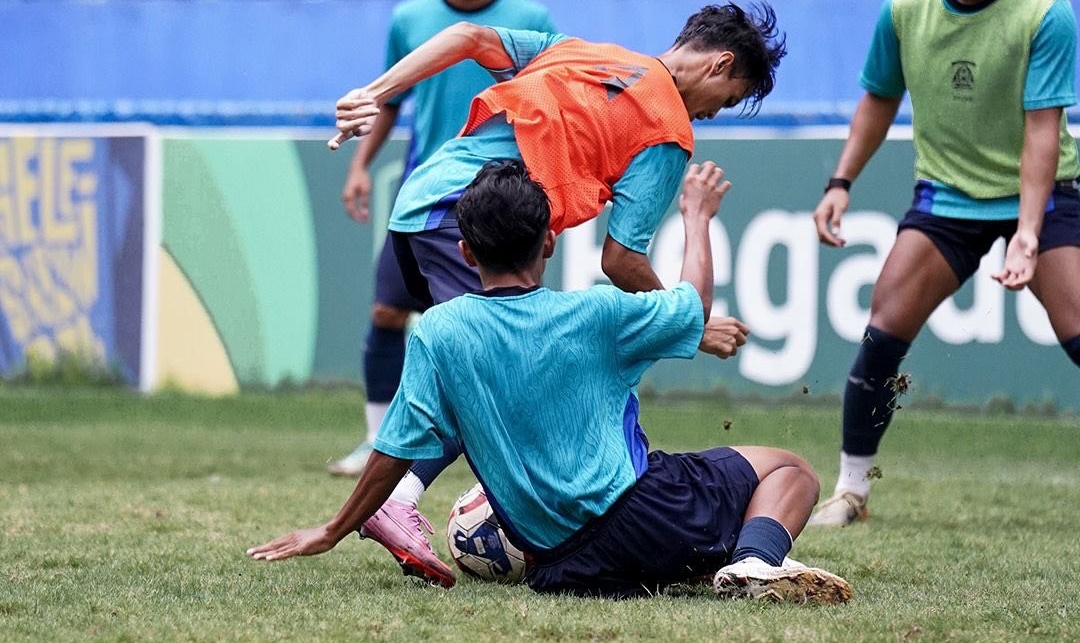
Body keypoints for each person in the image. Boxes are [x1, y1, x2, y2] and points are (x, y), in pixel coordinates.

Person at [250, 159, 852, 605]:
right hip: (647, 514)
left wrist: (334, 528)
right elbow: (693, 301)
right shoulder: (596, 313)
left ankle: (713, 564)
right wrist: (696, 216)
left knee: (682, 526)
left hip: (561, 564)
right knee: (788, 470)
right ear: (549, 240)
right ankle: (752, 563)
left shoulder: (438, 331)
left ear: (464, 252)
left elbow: (393, 451)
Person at [330, 3, 787, 583]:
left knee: (477, 368)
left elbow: (470, 37)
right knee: (499, 372)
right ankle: (400, 497)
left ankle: (408, 494)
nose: (709, 115)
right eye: (720, 104)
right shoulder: (669, 130)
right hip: (466, 223)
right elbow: (621, 260)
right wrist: (685, 323)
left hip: (423, 202)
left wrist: (374, 90)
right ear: (721, 65)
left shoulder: (582, 50)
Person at [810, 0, 1080, 527]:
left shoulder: (1045, 12)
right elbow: (878, 100)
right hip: (948, 199)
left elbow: (1042, 130)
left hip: (1042, 197)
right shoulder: (904, 9)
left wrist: (1026, 231)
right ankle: (851, 492)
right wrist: (840, 182)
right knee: (882, 331)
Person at [329, 0, 554, 491]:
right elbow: (390, 102)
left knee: (486, 329)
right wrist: (360, 166)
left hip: (495, 198)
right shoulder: (410, 19)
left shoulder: (531, 18)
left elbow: (551, 106)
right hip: (422, 194)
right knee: (387, 311)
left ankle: (502, 451)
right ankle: (378, 439)